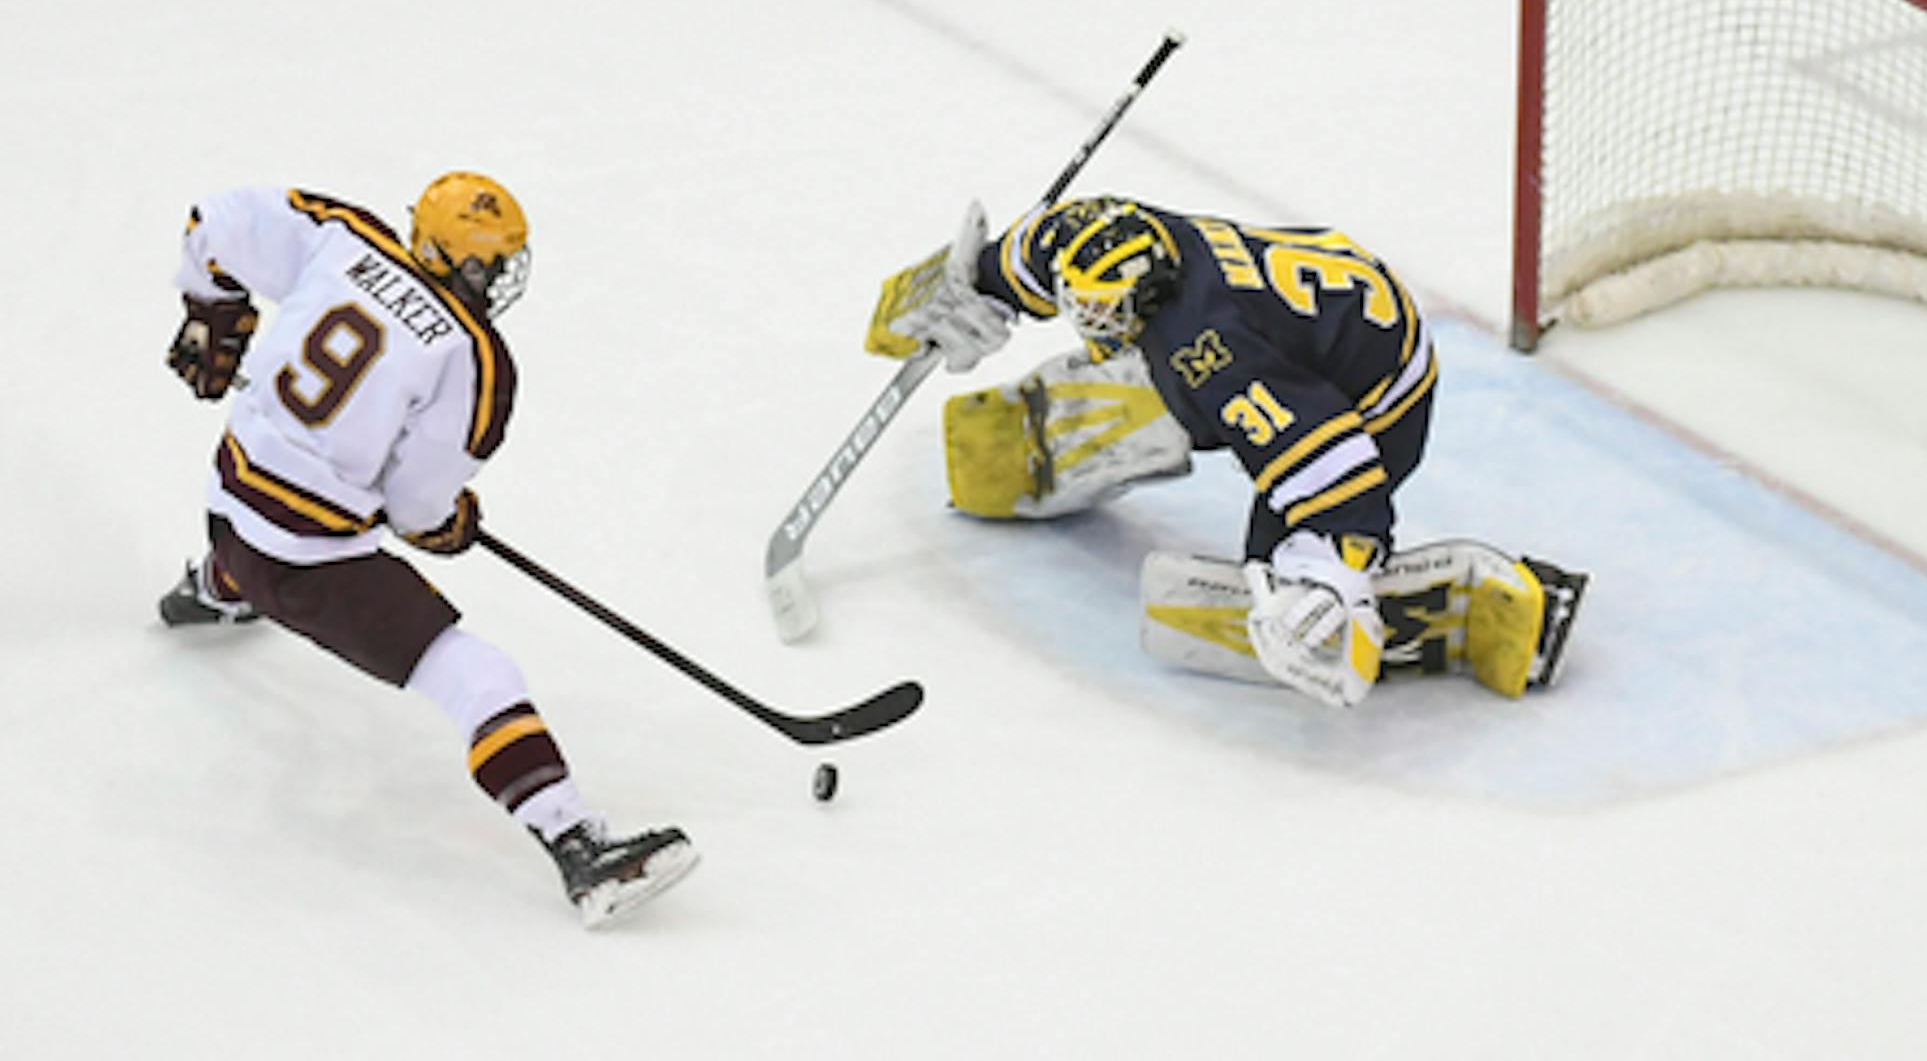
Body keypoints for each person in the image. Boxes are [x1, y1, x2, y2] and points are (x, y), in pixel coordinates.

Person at [160, 174, 697, 929]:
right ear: (471, 265)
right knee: (475, 674)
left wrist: (209, 314)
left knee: (270, 526)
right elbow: (416, 507)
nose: (504, 276)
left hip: (226, 505)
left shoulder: (342, 234)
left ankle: (214, 588)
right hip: (306, 562)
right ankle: (577, 841)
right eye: (497, 262)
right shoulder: (473, 358)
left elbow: (212, 221)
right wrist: (450, 523)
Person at [866, 196, 1586, 709]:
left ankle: (1424, 610)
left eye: (1107, 314)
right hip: (1321, 316)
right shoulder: (1107, 234)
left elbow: (1334, 467)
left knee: (1285, 598)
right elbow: (1034, 252)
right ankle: (1114, 422)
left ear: (1146, 294)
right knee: (1162, 372)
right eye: (1081, 307)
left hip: (1374, 402)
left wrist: (1328, 570)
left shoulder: (1214, 351)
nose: (1091, 324)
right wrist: (969, 284)